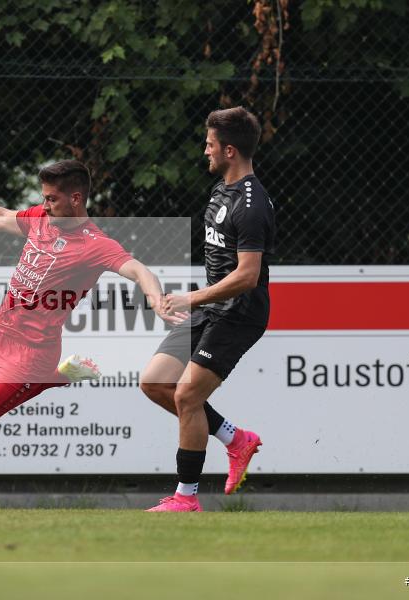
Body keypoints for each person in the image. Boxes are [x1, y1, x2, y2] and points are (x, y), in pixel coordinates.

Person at [0, 160, 182, 509]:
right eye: (43, 197)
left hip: (31, 355)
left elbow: (138, 270)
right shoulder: (42, 219)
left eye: (52, 199)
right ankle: (55, 378)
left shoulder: (95, 244)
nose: (44, 205)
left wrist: (156, 298)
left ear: (76, 199)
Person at [140, 107, 275, 512]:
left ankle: (186, 498)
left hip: (239, 313)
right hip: (213, 306)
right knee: (155, 382)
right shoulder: (220, 191)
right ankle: (236, 439)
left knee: (187, 395)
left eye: (210, 144)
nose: (205, 151)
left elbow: (248, 276)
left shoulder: (252, 204)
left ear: (229, 150)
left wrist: (191, 298)